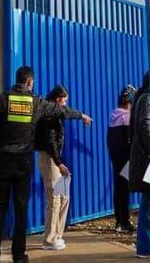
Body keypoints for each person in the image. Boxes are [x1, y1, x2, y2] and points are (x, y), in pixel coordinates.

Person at [0, 66, 92, 263]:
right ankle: (18, 256)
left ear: (18, 81)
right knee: (21, 209)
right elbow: (62, 110)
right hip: (23, 163)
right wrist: (81, 115)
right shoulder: (37, 102)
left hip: (2, 162)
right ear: (30, 82)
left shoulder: (2, 99)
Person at [33, 85, 84, 251]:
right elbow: (50, 141)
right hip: (49, 159)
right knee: (54, 199)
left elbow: (68, 112)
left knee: (63, 197)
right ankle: (49, 240)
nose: (66, 104)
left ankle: (57, 235)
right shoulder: (48, 115)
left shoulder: (56, 113)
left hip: (54, 158)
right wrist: (59, 162)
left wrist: (82, 116)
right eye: (65, 100)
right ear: (57, 99)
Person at [129, 73, 150, 259]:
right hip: (147, 160)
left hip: (143, 159)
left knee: (149, 202)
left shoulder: (141, 98)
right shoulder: (147, 98)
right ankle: (146, 246)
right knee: (148, 203)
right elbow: (145, 125)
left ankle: (147, 244)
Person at [107, 85, 136, 233]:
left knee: (118, 189)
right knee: (124, 189)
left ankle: (118, 221)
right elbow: (130, 141)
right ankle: (125, 222)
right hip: (126, 159)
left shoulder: (113, 116)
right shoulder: (128, 117)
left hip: (115, 158)